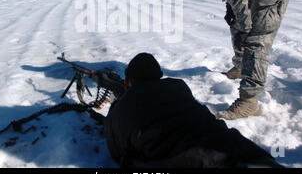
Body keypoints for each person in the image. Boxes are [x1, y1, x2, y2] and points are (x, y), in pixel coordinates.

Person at [168, 0, 295, 120]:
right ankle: (241, 67)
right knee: (237, 26)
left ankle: (249, 101)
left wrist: (245, 23)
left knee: (255, 39)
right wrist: (234, 15)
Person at [105, 53, 283, 168]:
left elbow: (116, 152)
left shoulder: (122, 108)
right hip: (238, 148)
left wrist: (118, 106)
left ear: (128, 80)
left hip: (189, 160)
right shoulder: (178, 86)